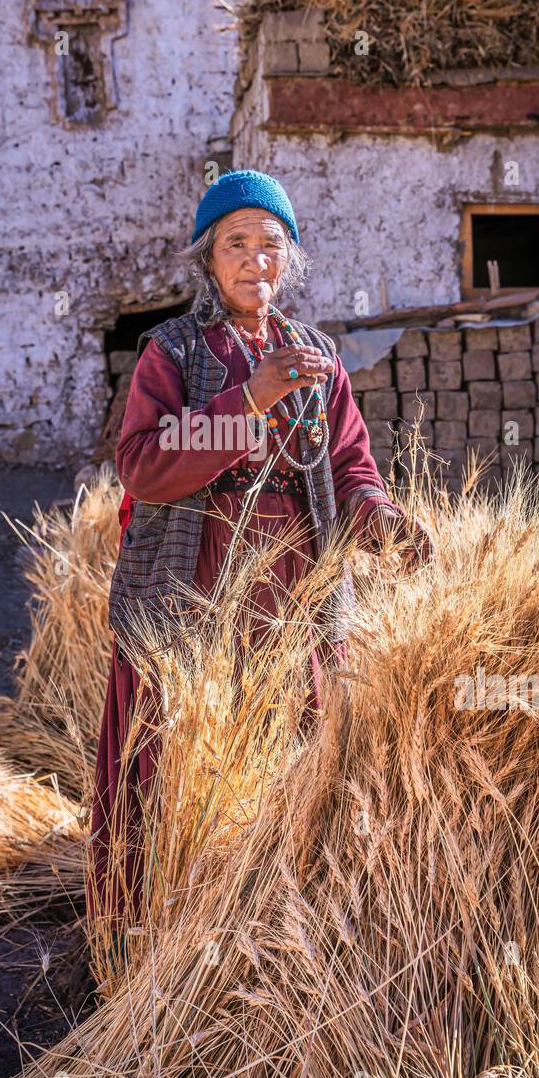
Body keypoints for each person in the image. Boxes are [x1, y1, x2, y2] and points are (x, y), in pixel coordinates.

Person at [89, 170, 432, 929]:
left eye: (269, 245)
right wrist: (247, 401)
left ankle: (286, 927)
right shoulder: (172, 353)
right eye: (235, 244)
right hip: (196, 577)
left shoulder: (315, 357)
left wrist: (380, 517)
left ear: (290, 259)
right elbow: (144, 463)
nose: (254, 261)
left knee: (301, 749)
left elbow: (347, 467)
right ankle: (159, 928)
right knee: (180, 750)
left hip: (295, 589)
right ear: (208, 260)